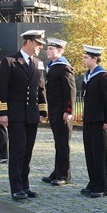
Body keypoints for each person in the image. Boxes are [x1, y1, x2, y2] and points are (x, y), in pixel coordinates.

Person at [0, 30, 47, 201]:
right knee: (17, 151)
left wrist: (42, 111)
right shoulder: (9, 62)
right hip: (15, 114)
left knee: (28, 152)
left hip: (31, 115)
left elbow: (40, 89)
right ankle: (16, 188)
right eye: (39, 44)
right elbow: (1, 89)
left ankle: (25, 185)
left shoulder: (38, 63)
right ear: (29, 42)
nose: (41, 47)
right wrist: (2, 112)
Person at [81, 45, 107, 198]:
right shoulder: (88, 75)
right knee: (90, 153)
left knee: (99, 154)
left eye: (86, 57)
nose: (84, 60)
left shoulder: (102, 76)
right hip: (89, 119)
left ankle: (102, 185)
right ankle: (93, 181)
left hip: (100, 121)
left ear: (95, 58)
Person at [41, 38, 76, 186]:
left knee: (62, 144)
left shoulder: (64, 67)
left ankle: (64, 175)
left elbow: (70, 90)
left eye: (51, 49)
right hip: (55, 110)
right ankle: (57, 171)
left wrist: (68, 110)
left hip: (62, 112)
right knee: (58, 143)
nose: (48, 51)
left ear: (60, 51)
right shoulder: (53, 66)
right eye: (48, 48)